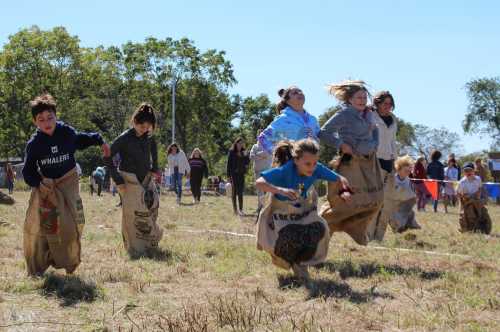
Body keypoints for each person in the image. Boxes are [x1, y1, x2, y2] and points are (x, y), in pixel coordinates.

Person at [22, 93, 110, 276]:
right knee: (49, 229)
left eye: (50, 117)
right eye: (41, 119)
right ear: (35, 122)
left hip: (69, 184)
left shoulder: (66, 133)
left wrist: (99, 140)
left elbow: (81, 139)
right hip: (49, 191)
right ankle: (40, 265)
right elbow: (28, 172)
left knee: (75, 223)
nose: (47, 122)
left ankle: (67, 260)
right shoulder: (35, 144)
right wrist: (40, 183)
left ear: (56, 116)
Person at [255, 139, 350, 283]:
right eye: (307, 164)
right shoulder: (285, 170)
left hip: (302, 211)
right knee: (284, 242)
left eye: (314, 163)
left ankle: (301, 264)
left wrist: (345, 190)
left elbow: (341, 179)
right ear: (296, 160)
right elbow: (259, 182)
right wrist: (280, 189)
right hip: (281, 214)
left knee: (321, 227)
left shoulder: (316, 168)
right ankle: (294, 265)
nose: (312, 168)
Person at [318, 80, 383, 245]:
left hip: (369, 162)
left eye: (364, 97)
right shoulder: (344, 114)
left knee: (375, 199)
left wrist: (375, 144)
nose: (362, 100)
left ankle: (356, 227)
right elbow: (324, 132)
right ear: (349, 99)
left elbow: (375, 131)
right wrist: (341, 144)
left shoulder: (369, 114)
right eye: (358, 97)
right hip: (350, 163)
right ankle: (320, 227)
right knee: (345, 201)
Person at [106, 103, 163, 258]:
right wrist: (117, 178)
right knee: (135, 214)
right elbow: (107, 155)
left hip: (145, 178)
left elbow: (154, 149)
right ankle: (135, 247)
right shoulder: (124, 138)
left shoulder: (149, 138)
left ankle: (149, 242)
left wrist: (155, 167)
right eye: (141, 126)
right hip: (128, 180)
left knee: (152, 206)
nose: (144, 129)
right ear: (135, 122)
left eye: (148, 127)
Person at [258, 86, 320, 156]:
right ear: (287, 101)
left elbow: (319, 137)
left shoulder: (313, 119)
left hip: (311, 163)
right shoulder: (283, 119)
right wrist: (279, 155)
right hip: (291, 163)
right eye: (295, 93)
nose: (300, 93)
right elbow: (263, 137)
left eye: (300, 91)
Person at [384, 156, 421, 233]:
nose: (408, 172)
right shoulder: (392, 179)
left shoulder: (408, 181)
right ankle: (397, 226)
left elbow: (412, 194)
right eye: (406, 170)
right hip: (391, 205)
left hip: (403, 204)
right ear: (399, 169)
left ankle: (411, 225)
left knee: (410, 213)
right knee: (396, 218)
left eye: (409, 170)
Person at [457, 163, 491, 234]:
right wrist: (465, 201)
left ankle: (484, 229)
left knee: (483, 213)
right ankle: (467, 229)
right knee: (468, 214)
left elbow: (479, 189)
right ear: (464, 172)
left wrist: (478, 198)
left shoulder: (478, 179)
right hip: (466, 200)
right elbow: (460, 194)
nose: (468, 172)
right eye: (466, 171)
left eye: (470, 170)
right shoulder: (462, 182)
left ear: (474, 171)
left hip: (476, 200)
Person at [372, 91, 397, 175]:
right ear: (378, 103)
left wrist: (395, 160)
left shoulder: (393, 119)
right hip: (373, 158)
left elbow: (393, 140)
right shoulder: (370, 116)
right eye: (385, 103)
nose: (388, 106)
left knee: (385, 187)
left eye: (390, 104)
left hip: (388, 160)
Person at [250, 130, 273, 213]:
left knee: (267, 190)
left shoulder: (268, 146)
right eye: (259, 135)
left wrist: (258, 155)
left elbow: (267, 154)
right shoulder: (255, 146)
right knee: (259, 190)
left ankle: (267, 207)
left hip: (267, 171)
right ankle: (260, 207)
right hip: (257, 171)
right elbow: (251, 156)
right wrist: (261, 156)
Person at [226, 137, 250, 215]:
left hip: (241, 174)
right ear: (236, 143)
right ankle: (235, 210)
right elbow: (228, 164)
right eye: (239, 143)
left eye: (242, 143)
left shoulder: (244, 152)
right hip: (233, 175)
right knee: (234, 192)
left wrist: (246, 156)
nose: (240, 145)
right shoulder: (231, 152)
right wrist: (228, 176)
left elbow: (247, 163)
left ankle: (241, 209)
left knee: (240, 192)